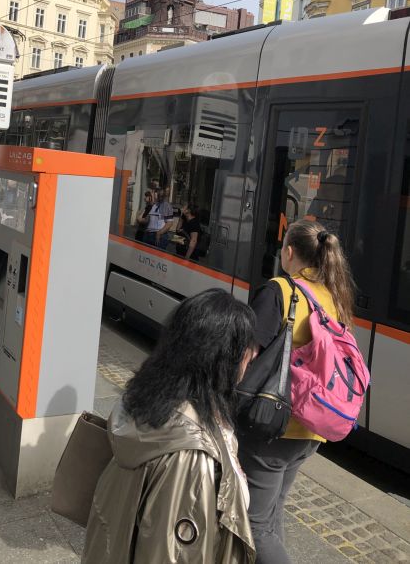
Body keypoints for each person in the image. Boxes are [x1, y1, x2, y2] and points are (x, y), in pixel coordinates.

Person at [83, 289, 257, 564]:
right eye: (245, 348)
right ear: (221, 360)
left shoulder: (146, 400)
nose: (253, 354)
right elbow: (173, 554)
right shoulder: (191, 457)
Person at [237, 219, 355, 564]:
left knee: (254, 526)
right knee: (272, 514)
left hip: (272, 424)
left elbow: (247, 355)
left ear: (289, 252)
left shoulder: (280, 290)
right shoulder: (334, 296)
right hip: (311, 429)